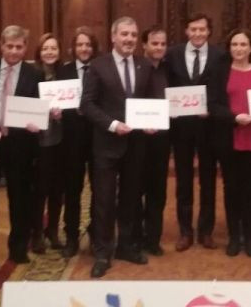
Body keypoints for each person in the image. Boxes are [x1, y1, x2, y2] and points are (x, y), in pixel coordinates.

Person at [81, 17, 159, 278]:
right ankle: (103, 252)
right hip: (106, 145)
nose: (129, 39)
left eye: (133, 35)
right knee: (104, 201)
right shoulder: (98, 65)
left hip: (136, 145)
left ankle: (126, 246)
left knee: (131, 198)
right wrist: (112, 125)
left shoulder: (144, 65)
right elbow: (87, 104)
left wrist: (150, 123)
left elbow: (149, 102)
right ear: (113, 37)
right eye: (124, 34)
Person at [206, 28, 251, 257]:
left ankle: (249, 238)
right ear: (229, 48)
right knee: (232, 190)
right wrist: (234, 117)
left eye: (243, 44)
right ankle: (234, 238)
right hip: (230, 140)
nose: (239, 49)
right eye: (234, 44)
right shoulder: (220, 71)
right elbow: (213, 105)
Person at [163, 14, 224, 251]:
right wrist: (169, 108)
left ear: (209, 31)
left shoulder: (220, 56)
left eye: (202, 29)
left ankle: (206, 231)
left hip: (209, 128)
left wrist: (213, 109)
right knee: (183, 180)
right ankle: (185, 231)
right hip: (181, 128)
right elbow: (166, 85)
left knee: (208, 181)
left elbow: (222, 89)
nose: (198, 33)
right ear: (186, 31)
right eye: (193, 29)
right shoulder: (173, 54)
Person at [0, 26, 46, 264]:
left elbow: (38, 106)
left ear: (25, 48)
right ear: (1, 45)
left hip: (20, 143)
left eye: (19, 47)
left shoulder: (35, 74)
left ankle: (18, 248)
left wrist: (37, 121)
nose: (13, 51)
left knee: (20, 197)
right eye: (9, 46)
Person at [56, 27, 98, 257]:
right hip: (71, 140)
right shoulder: (63, 71)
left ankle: (95, 233)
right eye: (80, 44)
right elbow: (54, 100)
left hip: (97, 138)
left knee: (99, 189)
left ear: (94, 47)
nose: (84, 49)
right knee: (72, 190)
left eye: (88, 44)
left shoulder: (102, 68)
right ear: (73, 48)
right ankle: (71, 236)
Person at [137, 26, 170, 256]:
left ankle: (153, 239)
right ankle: (135, 237)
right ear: (144, 45)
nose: (159, 47)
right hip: (137, 140)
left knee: (158, 192)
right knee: (135, 190)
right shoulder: (136, 69)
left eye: (162, 44)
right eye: (154, 43)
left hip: (162, 140)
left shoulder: (169, 70)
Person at [34, 33, 66, 254]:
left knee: (57, 189)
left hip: (61, 141)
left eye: (53, 48)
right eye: (45, 48)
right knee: (40, 189)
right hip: (39, 142)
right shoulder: (31, 76)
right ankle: (36, 233)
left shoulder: (65, 76)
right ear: (39, 52)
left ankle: (52, 230)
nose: (49, 52)